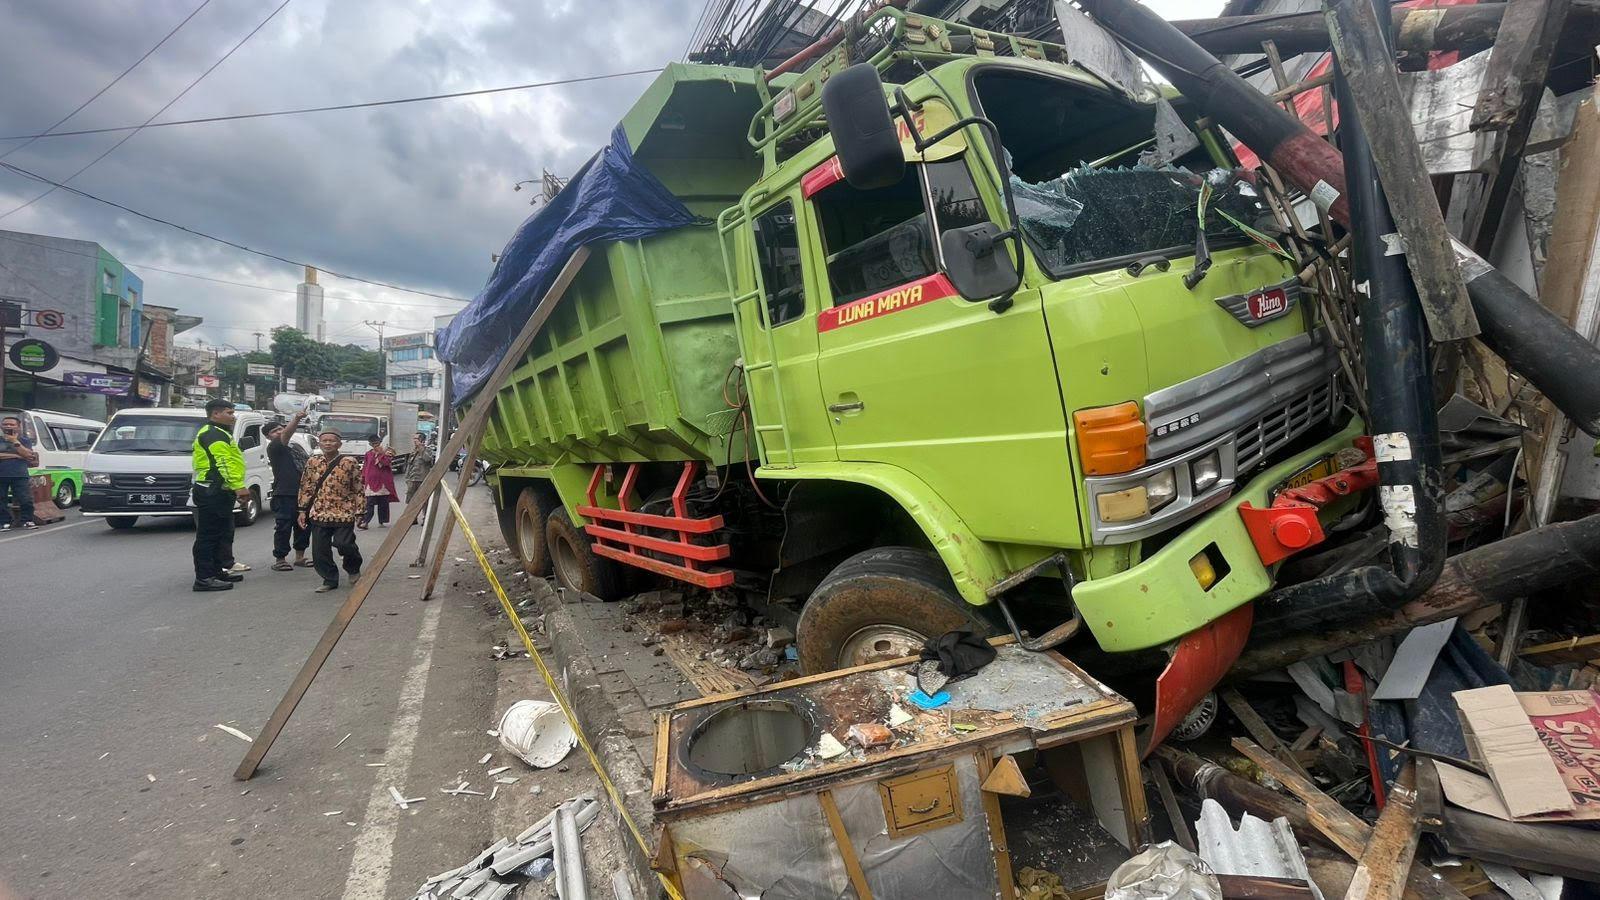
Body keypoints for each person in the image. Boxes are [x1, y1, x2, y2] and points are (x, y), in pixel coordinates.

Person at [191, 399, 249, 592]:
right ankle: (204, 578)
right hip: (211, 490)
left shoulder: (220, 432)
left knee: (221, 534)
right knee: (208, 536)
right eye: (229, 413)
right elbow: (223, 462)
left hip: (220, 490)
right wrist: (238, 486)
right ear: (216, 414)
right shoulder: (213, 434)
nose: (233, 417)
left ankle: (217, 571)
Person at [298, 428, 365, 592]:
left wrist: (360, 511)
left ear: (339, 444)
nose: (328, 443)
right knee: (320, 550)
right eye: (324, 440)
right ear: (319, 443)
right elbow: (306, 486)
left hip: (344, 512)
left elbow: (358, 487)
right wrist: (301, 510)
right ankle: (329, 579)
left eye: (332, 440)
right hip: (319, 512)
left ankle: (353, 568)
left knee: (344, 544)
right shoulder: (313, 462)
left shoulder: (349, 462)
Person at [265, 411, 311, 571]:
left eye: (280, 429)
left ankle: (300, 557)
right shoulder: (275, 447)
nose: (279, 432)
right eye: (274, 431)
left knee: (304, 526)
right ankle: (280, 559)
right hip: (285, 492)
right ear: (269, 437)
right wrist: (297, 418)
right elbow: (286, 434)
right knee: (284, 526)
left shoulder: (296, 448)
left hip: (304, 493)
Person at [0, 415, 39, 530]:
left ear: (18, 426)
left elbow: (29, 455)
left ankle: (27, 520)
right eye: (5, 424)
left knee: (25, 499)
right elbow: (23, 455)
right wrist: (17, 455)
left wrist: (15, 441)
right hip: (1, 475)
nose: (8, 426)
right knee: (1, 499)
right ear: (1, 426)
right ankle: (4, 522)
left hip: (19, 474)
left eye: (11, 424)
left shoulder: (24, 441)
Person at [359, 438, 397, 529]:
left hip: (383, 482)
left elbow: (386, 463)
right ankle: (366, 521)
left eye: (377, 443)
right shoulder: (368, 454)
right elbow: (365, 466)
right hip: (371, 482)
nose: (375, 445)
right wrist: (363, 477)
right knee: (369, 503)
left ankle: (382, 521)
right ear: (370, 444)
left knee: (383, 502)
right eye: (373, 443)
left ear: (380, 443)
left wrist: (381, 454)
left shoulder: (387, 453)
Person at [404, 431, 434, 526]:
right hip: (413, 479)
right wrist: (407, 477)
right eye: (414, 439)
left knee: (424, 500)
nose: (414, 441)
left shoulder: (427, 450)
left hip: (422, 479)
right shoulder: (413, 451)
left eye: (416, 439)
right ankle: (413, 518)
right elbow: (409, 465)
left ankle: (426, 518)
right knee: (411, 500)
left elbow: (427, 459)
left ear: (422, 440)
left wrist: (421, 448)